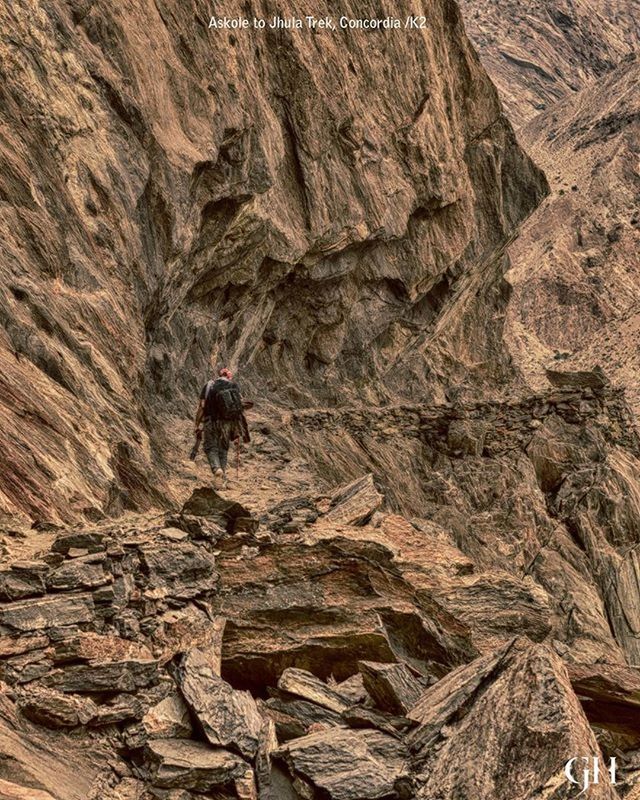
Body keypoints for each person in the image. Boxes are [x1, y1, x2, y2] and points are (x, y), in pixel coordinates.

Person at [194, 367, 244, 488]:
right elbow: (239, 405)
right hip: (228, 423)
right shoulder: (234, 386)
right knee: (223, 448)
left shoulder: (210, 385)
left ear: (218, 375)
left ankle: (217, 470)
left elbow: (202, 406)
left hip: (211, 421)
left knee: (210, 447)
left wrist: (197, 423)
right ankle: (222, 479)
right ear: (228, 376)